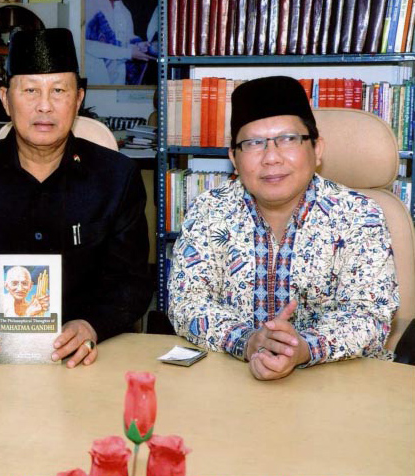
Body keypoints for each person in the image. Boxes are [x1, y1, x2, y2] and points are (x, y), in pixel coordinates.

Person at [0, 28, 151, 368]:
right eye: (30, 90)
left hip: (83, 358)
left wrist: (92, 325)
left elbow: (131, 282)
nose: (44, 105)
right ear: (5, 99)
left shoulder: (117, 177)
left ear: (78, 99)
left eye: (59, 90)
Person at [168, 76, 399, 381]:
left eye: (288, 139)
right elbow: (186, 302)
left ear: (317, 149)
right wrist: (248, 341)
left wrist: (303, 348)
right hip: (231, 379)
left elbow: (370, 314)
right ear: (234, 158)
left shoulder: (359, 215)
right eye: (253, 143)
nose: (271, 157)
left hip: (339, 382)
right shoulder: (209, 211)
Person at [84, 0, 154, 85]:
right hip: (95, 74)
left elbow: (125, 40)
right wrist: (128, 53)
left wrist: (138, 45)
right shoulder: (88, 5)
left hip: (118, 75)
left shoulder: (124, 12)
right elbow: (86, 45)